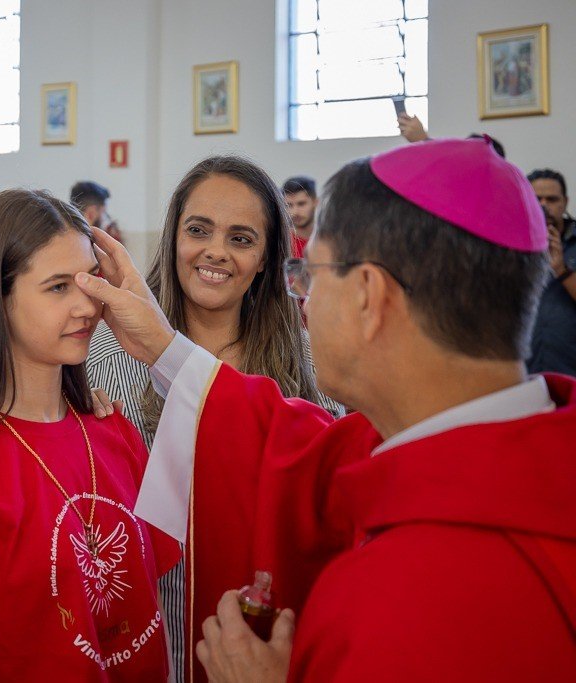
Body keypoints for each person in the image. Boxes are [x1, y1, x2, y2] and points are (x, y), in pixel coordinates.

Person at [73, 137, 575, 682]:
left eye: (310, 275)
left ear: (367, 294)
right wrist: (163, 350)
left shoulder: (386, 602)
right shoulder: (520, 468)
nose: (303, 298)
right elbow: (292, 442)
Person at [0, 188, 178, 681]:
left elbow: (151, 600)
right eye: (58, 287)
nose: (87, 305)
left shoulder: (113, 428)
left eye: (89, 281)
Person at [86, 155, 339, 681]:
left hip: (261, 636)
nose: (215, 252)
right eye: (198, 230)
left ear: (268, 257)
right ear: (173, 237)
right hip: (143, 629)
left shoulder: (311, 359)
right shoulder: (107, 358)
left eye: (241, 239)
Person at [526, 168, 576, 376]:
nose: (544, 206)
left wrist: (561, 269)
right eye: (537, 199)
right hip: (524, 373)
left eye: (552, 199)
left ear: (565, 202)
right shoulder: (510, 245)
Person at [71, 180, 124, 244]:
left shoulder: (63, 235)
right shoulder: (98, 245)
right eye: (104, 212)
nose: (107, 217)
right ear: (91, 214)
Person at [281, 176, 317, 258]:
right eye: (289, 205)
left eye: (301, 204)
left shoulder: (330, 240)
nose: (295, 212)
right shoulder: (280, 243)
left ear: (315, 202)